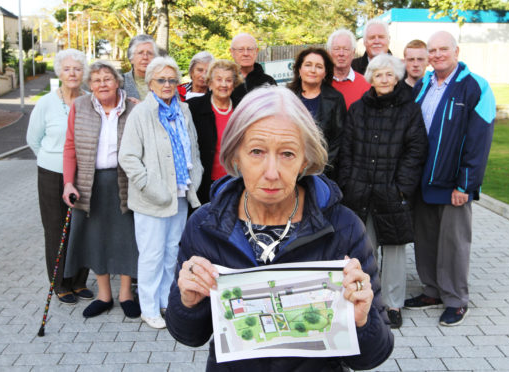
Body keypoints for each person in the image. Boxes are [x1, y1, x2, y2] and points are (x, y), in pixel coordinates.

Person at [165, 86, 394, 371]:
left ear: (306, 160)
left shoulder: (342, 227)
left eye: (287, 154)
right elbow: (188, 335)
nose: (271, 172)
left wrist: (361, 320)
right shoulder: (205, 225)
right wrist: (186, 301)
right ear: (235, 155)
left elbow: (374, 355)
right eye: (256, 152)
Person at [405, 31, 495, 326]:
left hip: (453, 183)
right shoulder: (424, 86)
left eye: (443, 49)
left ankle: (456, 299)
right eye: (432, 50)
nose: (437, 54)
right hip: (423, 181)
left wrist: (465, 184)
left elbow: (479, 142)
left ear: (457, 50)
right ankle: (432, 291)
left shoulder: (475, 87)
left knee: (454, 245)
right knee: (426, 241)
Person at [337, 54, 428, 329]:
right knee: (365, 250)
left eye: (389, 74)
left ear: (397, 77)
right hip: (361, 189)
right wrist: (349, 182)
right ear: (371, 79)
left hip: (392, 190)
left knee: (395, 250)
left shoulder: (409, 108)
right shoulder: (358, 108)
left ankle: (393, 304)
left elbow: (416, 150)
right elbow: (347, 150)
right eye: (378, 75)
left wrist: (402, 187)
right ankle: (369, 301)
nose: (384, 80)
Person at [119, 56, 204, 329]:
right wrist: (150, 187)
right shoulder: (141, 113)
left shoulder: (184, 110)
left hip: (180, 193)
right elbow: (128, 158)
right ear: (150, 83)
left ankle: (166, 301)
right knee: (152, 255)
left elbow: (193, 147)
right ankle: (149, 308)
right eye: (161, 80)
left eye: (172, 80)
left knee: (170, 253)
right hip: (152, 199)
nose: (167, 85)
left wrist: (196, 176)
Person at [62, 61, 140, 319]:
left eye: (107, 79)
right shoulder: (80, 106)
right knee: (97, 238)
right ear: (90, 86)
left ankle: (126, 294)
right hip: (89, 183)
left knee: (128, 237)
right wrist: (68, 183)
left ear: (117, 82)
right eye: (96, 80)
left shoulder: (132, 107)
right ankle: (104, 295)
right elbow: (70, 147)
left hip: (125, 181)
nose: (102, 84)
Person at [26, 49, 92, 305]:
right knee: (56, 229)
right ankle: (60, 283)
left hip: (85, 173)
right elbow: (33, 139)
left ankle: (78, 280)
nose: (73, 73)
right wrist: (51, 160)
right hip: (52, 174)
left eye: (77, 68)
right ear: (59, 73)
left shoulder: (88, 100)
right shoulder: (46, 103)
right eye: (67, 69)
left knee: (83, 227)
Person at [187, 60, 243, 204]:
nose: (223, 85)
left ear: (234, 84)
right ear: (210, 83)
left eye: (228, 80)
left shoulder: (242, 109)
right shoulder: (193, 108)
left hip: (237, 182)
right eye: (218, 79)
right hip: (204, 184)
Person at [287, 47, 346, 179]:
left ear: (325, 73)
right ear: (299, 69)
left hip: (324, 172)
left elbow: (338, 140)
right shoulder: (287, 96)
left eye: (319, 66)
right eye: (308, 65)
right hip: (289, 169)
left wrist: (319, 169)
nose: (313, 70)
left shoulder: (335, 99)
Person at [327, 28, 371, 109]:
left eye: (346, 49)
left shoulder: (365, 85)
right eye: (336, 49)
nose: (341, 54)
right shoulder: (320, 82)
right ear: (329, 53)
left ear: (353, 53)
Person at [229, 33, 276, 101]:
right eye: (240, 50)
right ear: (232, 52)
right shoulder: (225, 82)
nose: (246, 54)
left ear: (256, 51)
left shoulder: (268, 82)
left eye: (250, 49)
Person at [123, 34, 158, 102]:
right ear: (131, 58)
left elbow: (177, 110)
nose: (145, 57)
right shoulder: (120, 83)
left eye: (149, 53)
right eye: (140, 53)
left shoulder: (167, 82)